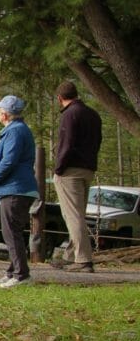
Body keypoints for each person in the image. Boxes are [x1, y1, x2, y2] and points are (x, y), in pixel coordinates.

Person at [0, 95, 39, 288]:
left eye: (0, 110)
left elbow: (9, 160)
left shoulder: (15, 131)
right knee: (12, 231)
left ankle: (21, 275)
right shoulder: (17, 130)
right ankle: (13, 272)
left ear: (5, 113)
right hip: (18, 187)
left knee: (11, 232)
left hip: (15, 188)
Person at [53, 81, 102, 273]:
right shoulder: (93, 114)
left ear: (60, 98)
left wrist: (59, 168)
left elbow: (67, 143)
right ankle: (71, 255)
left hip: (70, 170)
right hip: (88, 168)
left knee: (72, 215)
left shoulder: (69, 114)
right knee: (78, 213)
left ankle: (83, 259)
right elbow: (98, 141)